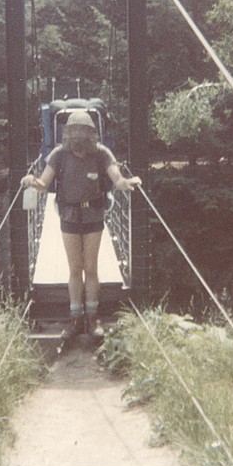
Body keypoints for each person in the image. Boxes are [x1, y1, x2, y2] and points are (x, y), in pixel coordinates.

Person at [21, 110, 141, 344]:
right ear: (68, 133)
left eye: (81, 130)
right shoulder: (59, 155)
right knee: (75, 268)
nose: (77, 135)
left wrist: (126, 183)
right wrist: (31, 181)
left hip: (94, 214)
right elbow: (43, 183)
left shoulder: (101, 153)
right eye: (73, 130)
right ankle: (76, 318)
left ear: (90, 132)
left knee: (91, 267)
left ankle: (92, 318)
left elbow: (116, 178)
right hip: (68, 214)